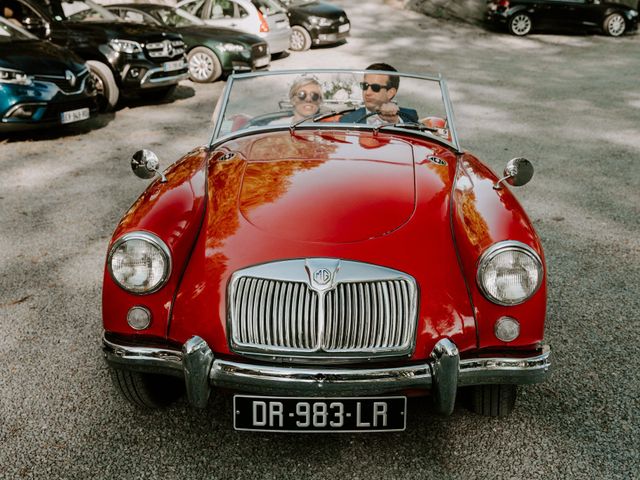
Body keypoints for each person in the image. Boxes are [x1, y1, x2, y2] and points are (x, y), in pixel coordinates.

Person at [340, 63, 418, 125]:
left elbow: (418, 140)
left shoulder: (409, 116)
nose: (367, 92)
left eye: (375, 87)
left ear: (390, 93)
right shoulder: (347, 120)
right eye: (365, 86)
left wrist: (396, 121)